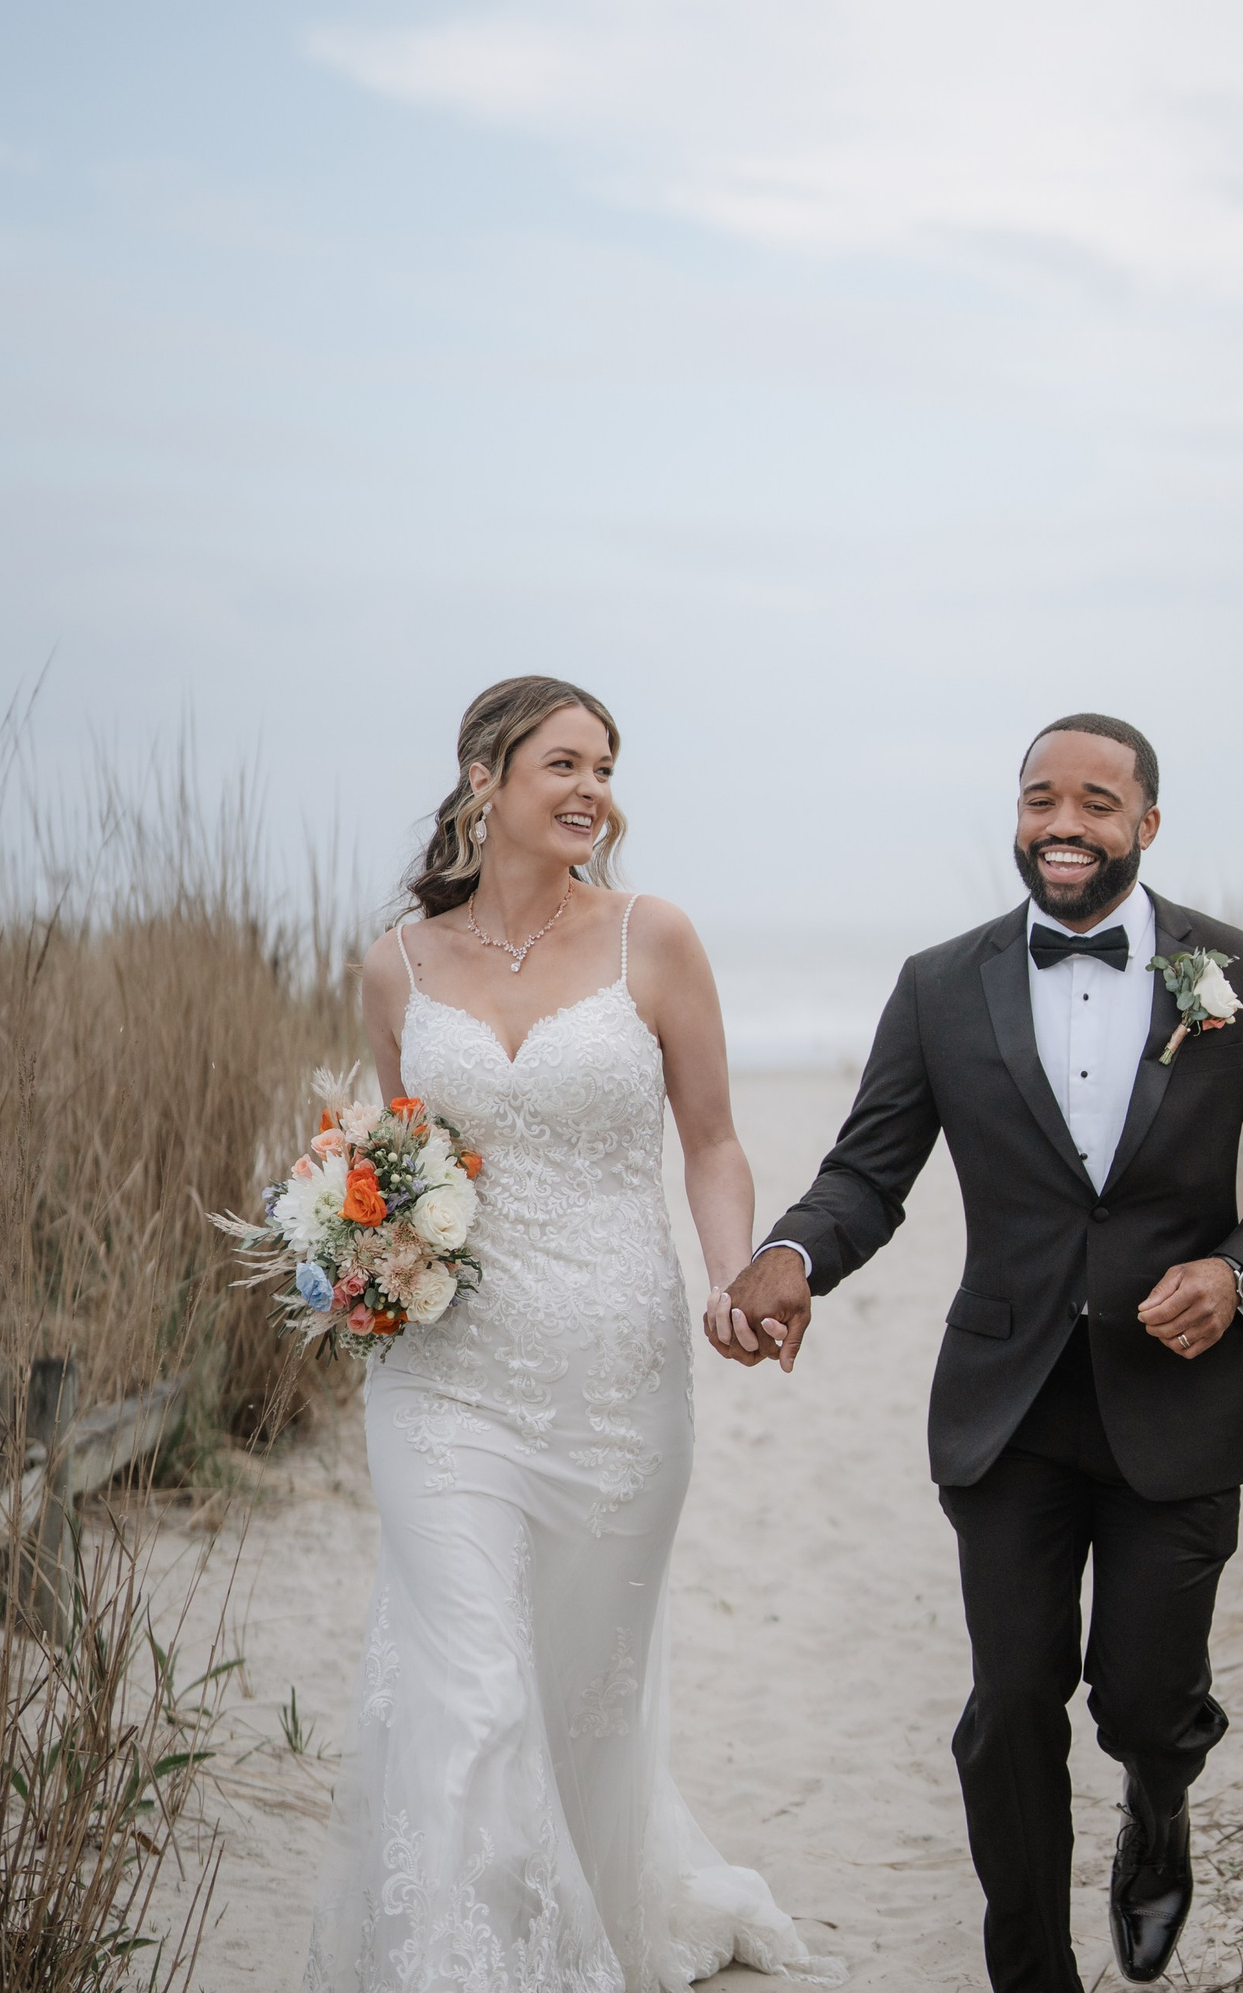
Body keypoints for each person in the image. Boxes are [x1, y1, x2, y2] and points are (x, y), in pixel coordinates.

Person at [718, 715, 1243, 1993]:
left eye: (1097, 802)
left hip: (1173, 1406)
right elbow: (868, 1171)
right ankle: (1030, 1972)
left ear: (1146, 825)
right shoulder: (941, 982)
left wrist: (1235, 1276)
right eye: (1040, 798)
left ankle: (1157, 1806)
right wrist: (791, 1257)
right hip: (1004, 1409)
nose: (1064, 823)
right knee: (1010, 1707)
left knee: (1144, 1705)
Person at [306, 674, 835, 1993]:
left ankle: (592, 1906)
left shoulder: (655, 940)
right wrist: (362, 1250)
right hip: (447, 1377)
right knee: (473, 1692)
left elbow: (710, 1141)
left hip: (616, 1371)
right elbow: (403, 1159)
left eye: (605, 765)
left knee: (580, 1694)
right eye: (563, 762)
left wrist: (731, 1277)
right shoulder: (397, 966)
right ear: (485, 777)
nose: (593, 787)